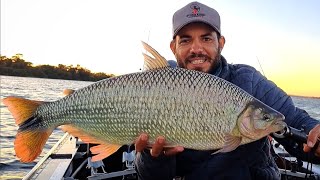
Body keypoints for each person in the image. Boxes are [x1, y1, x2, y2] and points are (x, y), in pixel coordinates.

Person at [134, 1, 320, 180]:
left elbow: (293, 119)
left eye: (206, 38)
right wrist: (153, 158)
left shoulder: (248, 80)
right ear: (173, 47)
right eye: (185, 40)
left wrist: (314, 134)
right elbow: (150, 176)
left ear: (221, 43)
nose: (196, 49)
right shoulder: (154, 89)